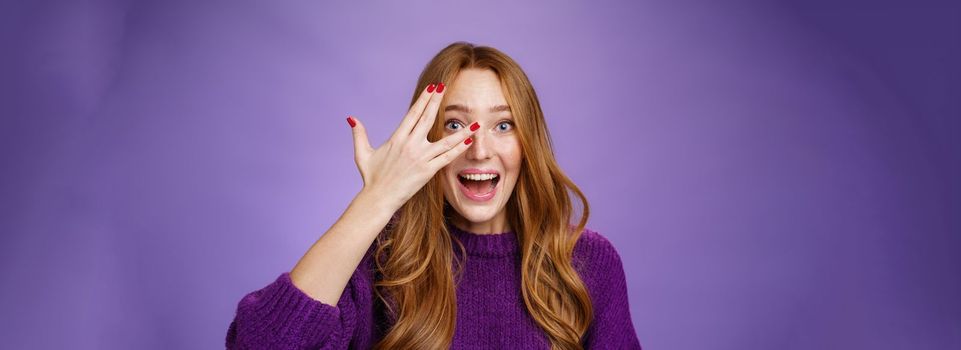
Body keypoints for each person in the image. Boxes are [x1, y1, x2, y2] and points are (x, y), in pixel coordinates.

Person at [225, 41, 642, 350]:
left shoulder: (585, 262)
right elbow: (257, 344)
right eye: (456, 125)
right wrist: (376, 200)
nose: (479, 150)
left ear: (528, 143)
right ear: (425, 142)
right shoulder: (383, 259)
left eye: (503, 126)